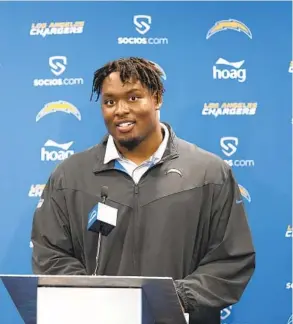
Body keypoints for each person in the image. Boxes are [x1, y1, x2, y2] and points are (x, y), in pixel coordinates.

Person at [31, 57, 255, 324]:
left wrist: (172, 298)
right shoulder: (69, 175)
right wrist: (97, 298)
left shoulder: (210, 173)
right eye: (110, 101)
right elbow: (50, 253)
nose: (120, 110)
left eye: (134, 97)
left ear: (157, 98)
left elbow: (230, 260)